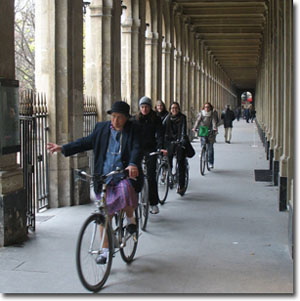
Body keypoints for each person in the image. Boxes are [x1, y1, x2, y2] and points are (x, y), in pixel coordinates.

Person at [47, 101, 142, 264]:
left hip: (122, 175)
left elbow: (136, 148)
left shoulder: (133, 130)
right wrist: (63, 148)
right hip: (104, 176)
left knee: (126, 190)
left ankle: (130, 220)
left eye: (119, 117)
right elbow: (85, 142)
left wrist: (132, 164)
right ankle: (105, 250)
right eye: (113, 117)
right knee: (104, 214)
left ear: (126, 118)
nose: (115, 120)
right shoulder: (101, 128)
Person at [134, 96, 167, 214]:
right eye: (142, 107)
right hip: (138, 150)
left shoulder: (156, 119)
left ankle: (153, 203)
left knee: (151, 176)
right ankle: (133, 202)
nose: (144, 109)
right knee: (134, 175)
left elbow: (160, 134)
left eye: (146, 107)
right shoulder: (136, 119)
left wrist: (160, 147)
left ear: (149, 107)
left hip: (151, 149)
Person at [163, 102, 188, 196]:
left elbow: (183, 130)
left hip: (179, 142)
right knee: (168, 158)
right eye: (172, 108)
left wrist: (181, 140)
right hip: (170, 141)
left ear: (179, 109)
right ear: (170, 109)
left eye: (176, 108)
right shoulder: (168, 118)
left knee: (180, 162)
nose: (174, 110)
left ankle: (181, 185)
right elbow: (162, 127)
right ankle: (168, 174)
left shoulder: (182, 117)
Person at [192, 102, 218, 169]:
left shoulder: (212, 114)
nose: (207, 108)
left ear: (210, 108)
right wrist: (195, 127)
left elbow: (214, 121)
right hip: (203, 129)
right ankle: (203, 153)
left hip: (210, 130)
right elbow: (198, 121)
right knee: (203, 143)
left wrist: (214, 128)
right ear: (204, 107)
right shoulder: (201, 113)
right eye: (205, 107)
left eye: (208, 107)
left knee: (210, 148)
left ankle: (210, 162)